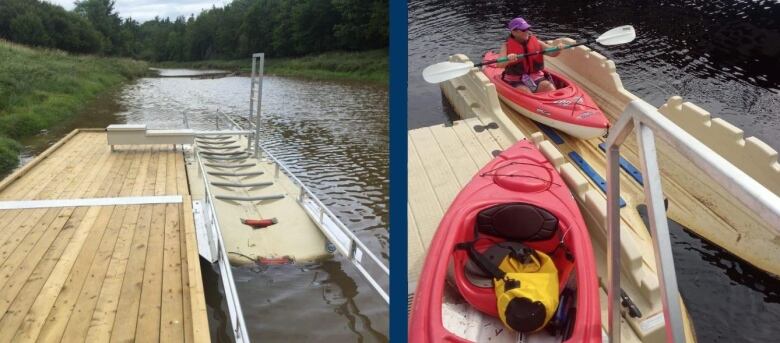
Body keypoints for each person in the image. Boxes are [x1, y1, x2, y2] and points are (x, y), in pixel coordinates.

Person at [497, 17, 565, 94]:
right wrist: (507, 59)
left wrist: (558, 49)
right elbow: (499, 65)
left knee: (548, 86)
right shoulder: (506, 45)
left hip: (537, 77)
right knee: (524, 91)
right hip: (516, 80)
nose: (527, 31)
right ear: (514, 32)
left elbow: (552, 53)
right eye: (523, 30)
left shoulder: (537, 42)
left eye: (527, 28)